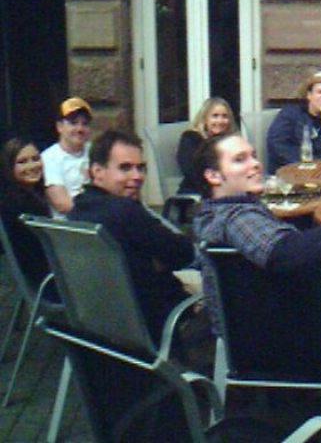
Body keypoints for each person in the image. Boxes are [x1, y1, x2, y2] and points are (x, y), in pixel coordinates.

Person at [193, 133, 321, 336]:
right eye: (240, 159)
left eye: (253, 156)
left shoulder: (211, 216)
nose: (256, 164)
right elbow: (287, 253)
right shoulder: (236, 219)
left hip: (255, 329)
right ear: (213, 176)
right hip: (305, 329)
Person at [68, 130, 197, 342]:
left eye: (140, 167)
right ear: (97, 171)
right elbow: (184, 253)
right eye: (125, 168)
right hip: (159, 324)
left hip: (100, 329)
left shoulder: (78, 211)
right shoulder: (125, 212)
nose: (137, 176)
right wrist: (155, 261)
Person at [0, 137, 55, 298]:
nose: (32, 166)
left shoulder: (15, 197)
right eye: (22, 162)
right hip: (46, 284)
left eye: (35, 159)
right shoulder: (24, 205)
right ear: (8, 167)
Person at [267, 70, 321, 174]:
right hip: (293, 172)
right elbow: (277, 145)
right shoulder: (290, 114)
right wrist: (313, 164)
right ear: (309, 95)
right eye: (320, 92)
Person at [41, 97, 93, 217]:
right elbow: (62, 204)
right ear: (59, 126)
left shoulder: (96, 151)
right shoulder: (49, 158)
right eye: (73, 123)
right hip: (68, 224)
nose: (80, 129)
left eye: (85, 124)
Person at [177, 97, 238, 194]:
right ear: (205, 119)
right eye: (215, 116)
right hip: (196, 191)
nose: (220, 121)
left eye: (225, 116)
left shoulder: (231, 141)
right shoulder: (190, 138)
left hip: (226, 189)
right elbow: (191, 172)